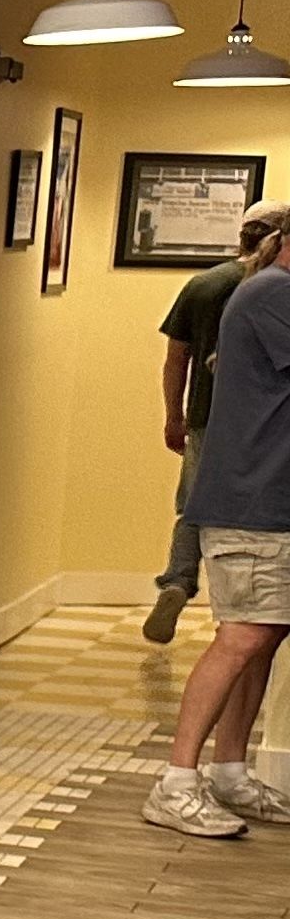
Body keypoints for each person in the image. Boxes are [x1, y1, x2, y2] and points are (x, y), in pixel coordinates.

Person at [149, 231, 290, 838]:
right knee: (243, 635)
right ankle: (176, 782)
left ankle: (229, 770)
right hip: (250, 500)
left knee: (265, 634)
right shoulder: (272, 294)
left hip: (272, 499)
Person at [149, 202, 290, 643]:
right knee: (243, 521)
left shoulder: (205, 284)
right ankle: (237, 612)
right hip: (261, 424)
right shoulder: (275, 288)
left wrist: (173, 415)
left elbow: (176, 359)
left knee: (196, 505)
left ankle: (178, 580)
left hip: (205, 416)